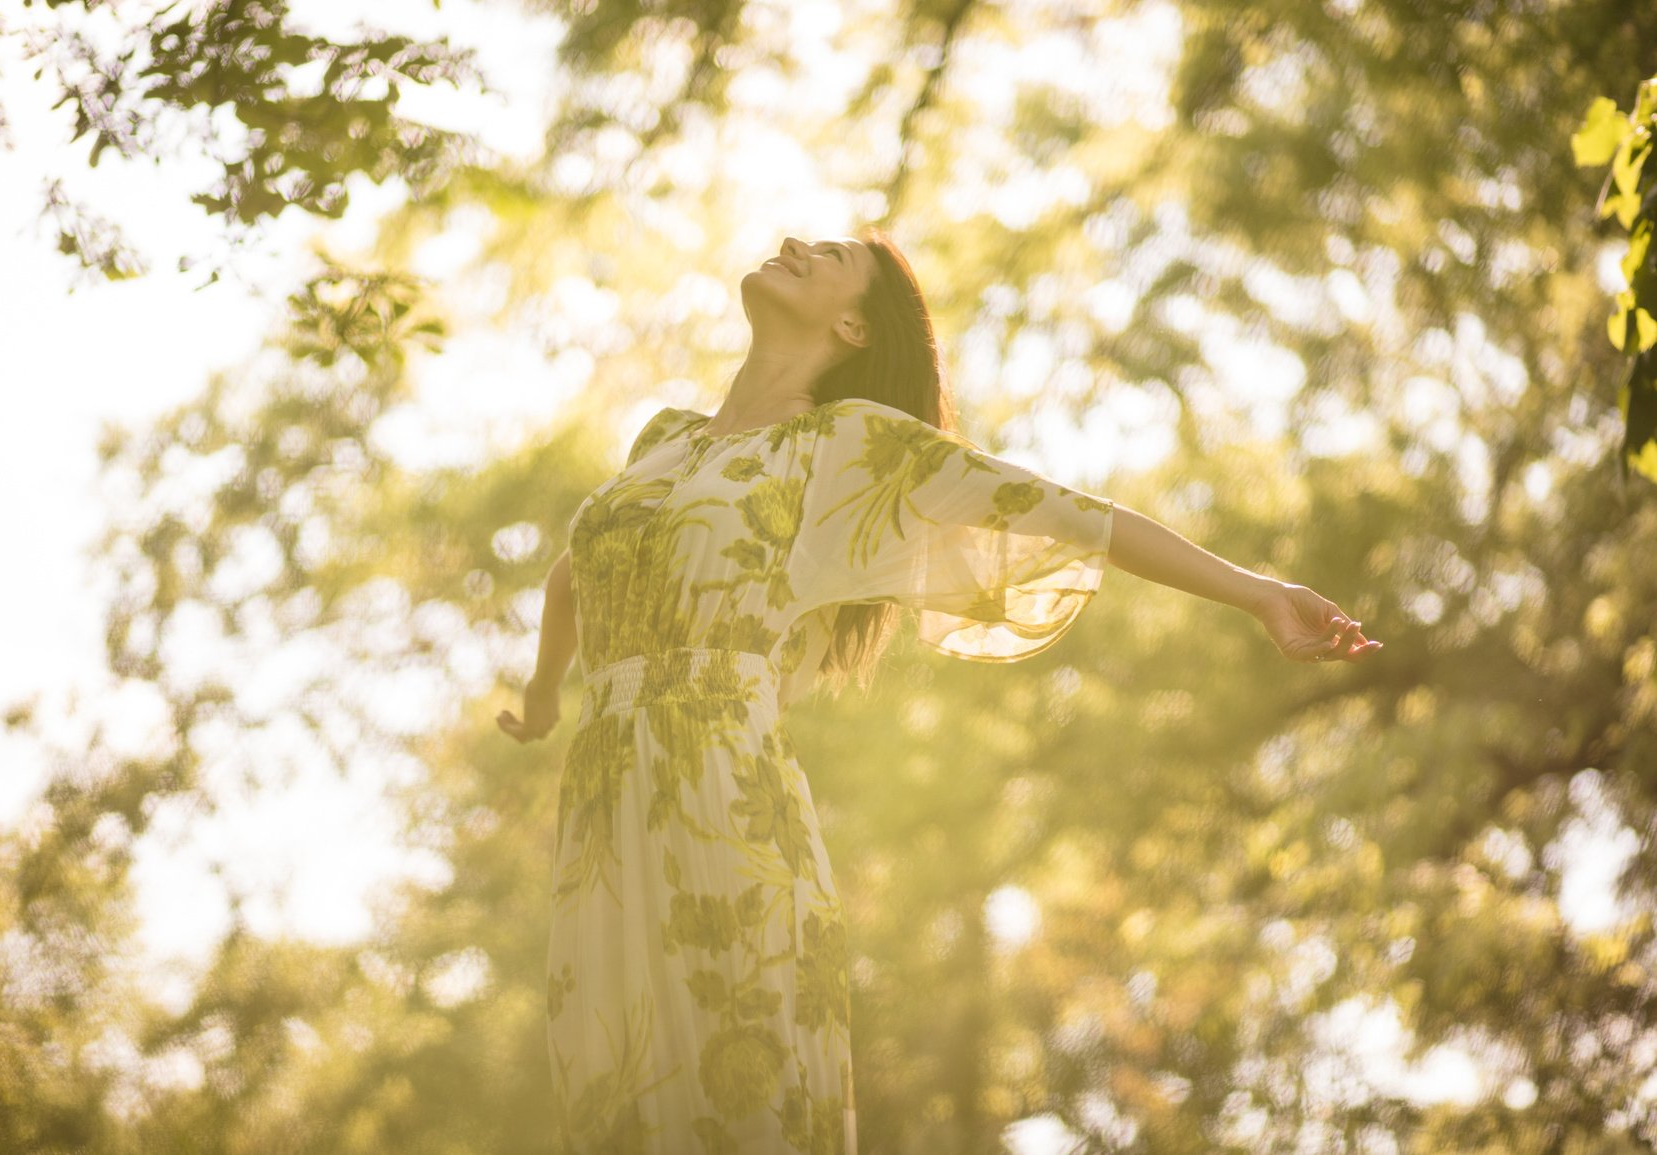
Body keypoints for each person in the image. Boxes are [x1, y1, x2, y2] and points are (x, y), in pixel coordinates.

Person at [497, 230, 1381, 1154]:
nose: (795, 241)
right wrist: (547, 692)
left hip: (722, 799)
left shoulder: (846, 446)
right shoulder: (665, 438)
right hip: (603, 816)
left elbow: (1066, 511)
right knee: (612, 1103)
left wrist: (1257, 593)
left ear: (851, 323)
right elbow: (574, 572)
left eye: (832, 253)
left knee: (728, 1104)